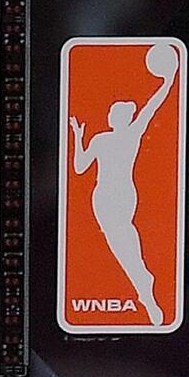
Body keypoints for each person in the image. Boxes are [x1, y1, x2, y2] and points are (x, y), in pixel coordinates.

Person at [69, 45, 178, 327]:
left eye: (119, 114)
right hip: (104, 197)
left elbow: (152, 109)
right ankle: (144, 284)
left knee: (123, 241)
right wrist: (77, 136)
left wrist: (169, 81)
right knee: (122, 242)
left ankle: (144, 285)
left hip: (117, 196)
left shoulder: (128, 135)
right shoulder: (109, 138)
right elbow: (79, 168)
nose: (115, 117)